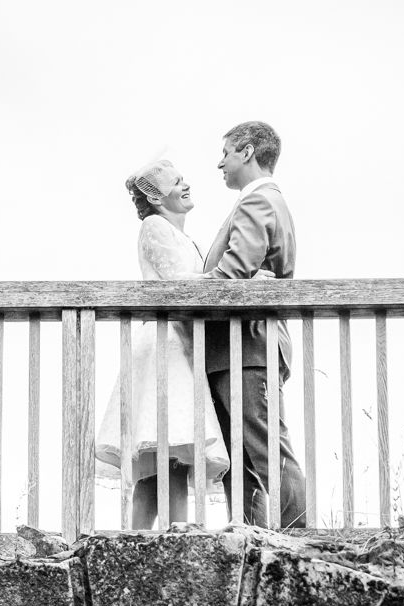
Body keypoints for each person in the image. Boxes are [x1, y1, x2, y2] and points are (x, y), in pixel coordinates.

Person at [96, 160, 245, 528]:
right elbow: (179, 283)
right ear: (157, 198)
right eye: (177, 182)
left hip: (179, 344)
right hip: (166, 347)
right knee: (171, 450)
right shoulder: (155, 226)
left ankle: (141, 538)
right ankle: (178, 538)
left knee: (165, 457)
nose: (185, 185)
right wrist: (236, 278)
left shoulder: (182, 235)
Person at [200, 121, 308, 528]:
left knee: (267, 449)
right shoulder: (264, 201)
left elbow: (231, 274)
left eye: (225, 153)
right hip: (237, 349)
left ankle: (299, 538)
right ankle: (252, 536)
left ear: (247, 152)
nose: (220, 164)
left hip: (248, 346)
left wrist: (184, 284)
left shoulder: (257, 201)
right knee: (241, 457)